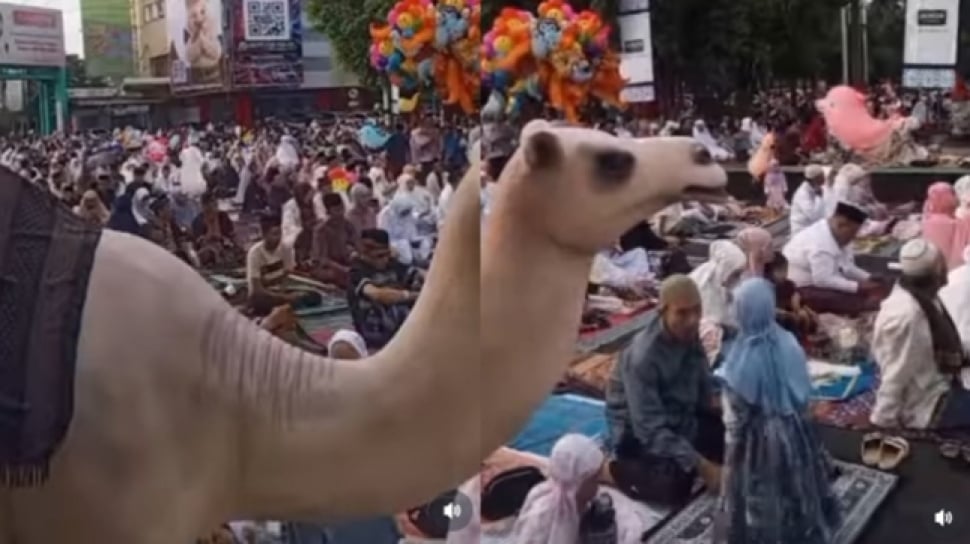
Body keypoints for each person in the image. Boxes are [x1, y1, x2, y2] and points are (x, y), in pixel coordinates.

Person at [715, 277, 841, 543]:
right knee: (797, 486)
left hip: (756, 446)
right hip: (795, 431)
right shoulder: (789, 343)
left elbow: (735, 422)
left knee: (758, 495)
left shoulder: (740, 363)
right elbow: (802, 394)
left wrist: (731, 461)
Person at [605, 275, 724, 506]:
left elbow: (704, 390)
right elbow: (649, 430)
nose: (692, 320)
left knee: (737, 433)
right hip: (637, 432)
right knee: (673, 487)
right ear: (663, 312)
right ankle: (609, 470)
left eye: (697, 310)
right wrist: (703, 466)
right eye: (682, 313)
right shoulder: (643, 357)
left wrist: (727, 411)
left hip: (679, 416)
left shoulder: (689, 335)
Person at [871, 239, 970, 433]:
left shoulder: (927, 298)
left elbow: (949, 346)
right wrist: (883, 422)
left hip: (943, 381)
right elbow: (895, 374)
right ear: (937, 270)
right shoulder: (907, 316)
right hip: (926, 404)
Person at [783, 201, 885, 315]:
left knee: (859, 293)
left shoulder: (835, 235)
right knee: (855, 301)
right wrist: (858, 286)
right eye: (853, 232)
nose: (853, 237)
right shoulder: (820, 244)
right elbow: (822, 280)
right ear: (841, 225)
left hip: (823, 281)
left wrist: (868, 277)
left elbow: (846, 267)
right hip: (802, 288)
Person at [510, 434, 605, 544]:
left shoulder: (581, 503)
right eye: (595, 479)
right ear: (578, 483)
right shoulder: (543, 517)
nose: (598, 486)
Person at [348, 228, 423, 348]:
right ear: (366, 254)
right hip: (373, 328)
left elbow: (418, 274)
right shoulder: (357, 271)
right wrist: (415, 296)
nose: (385, 259)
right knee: (401, 310)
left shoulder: (391, 264)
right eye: (380, 256)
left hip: (397, 326)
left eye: (387, 254)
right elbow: (378, 295)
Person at [246, 213, 300, 316]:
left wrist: (284, 293)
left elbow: (287, 276)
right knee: (259, 301)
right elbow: (256, 289)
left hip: (280, 291)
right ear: (264, 235)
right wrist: (283, 297)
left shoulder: (285, 248)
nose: (278, 238)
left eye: (280, 233)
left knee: (310, 296)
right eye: (274, 234)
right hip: (265, 295)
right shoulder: (255, 253)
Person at [689, 240, 747, 328]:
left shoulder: (724, 283)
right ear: (725, 270)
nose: (739, 278)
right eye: (736, 274)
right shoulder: (705, 286)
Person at [310, 193, 358, 289]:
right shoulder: (321, 231)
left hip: (345, 262)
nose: (340, 213)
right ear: (328, 211)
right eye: (336, 210)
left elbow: (357, 244)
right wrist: (343, 269)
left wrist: (355, 254)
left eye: (342, 209)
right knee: (337, 275)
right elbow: (323, 259)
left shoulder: (347, 225)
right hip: (327, 267)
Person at [191, 192, 241, 269]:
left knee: (239, 252)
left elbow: (231, 235)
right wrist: (210, 224)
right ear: (204, 206)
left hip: (225, 244)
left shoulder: (223, 216)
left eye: (214, 202)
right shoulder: (197, 221)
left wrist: (229, 241)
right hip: (207, 248)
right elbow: (199, 242)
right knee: (208, 254)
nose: (213, 206)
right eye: (209, 204)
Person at [922, 182, 964, 269]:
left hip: (931, 267)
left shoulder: (926, 219)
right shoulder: (955, 223)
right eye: (953, 194)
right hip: (951, 269)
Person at [789, 164, 827, 235]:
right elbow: (813, 216)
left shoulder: (816, 188)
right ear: (815, 178)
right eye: (822, 176)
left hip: (812, 228)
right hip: (801, 230)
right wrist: (819, 197)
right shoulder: (803, 194)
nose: (824, 178)